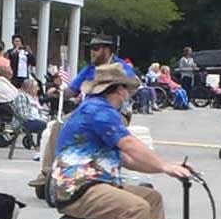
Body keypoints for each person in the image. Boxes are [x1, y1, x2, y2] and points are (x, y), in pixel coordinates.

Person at [51, 63, 192, 219]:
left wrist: (168, 166)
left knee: (152, 198)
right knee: (135, 209)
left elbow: (127, 160)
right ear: (118, 90)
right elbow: (129, 145)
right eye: (127, 90)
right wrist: (165, 167)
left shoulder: (99, 111)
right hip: (78, 188)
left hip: (97, 183)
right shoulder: (99, 112)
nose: (129, 95)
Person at [28, 36, 138, 189]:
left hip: (115, 112)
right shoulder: (89, 69)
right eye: (91, 49)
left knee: (96, 131)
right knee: (58, 125)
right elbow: (72, 90)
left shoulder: (121, 67)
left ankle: (100, 172)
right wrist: (56, 91)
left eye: (96, 49)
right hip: (88, 111)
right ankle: (48, 172)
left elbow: (133, 87)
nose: (92, 52)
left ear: (108, 50)